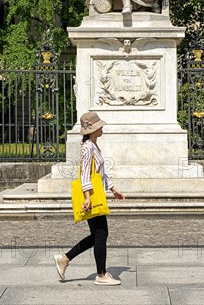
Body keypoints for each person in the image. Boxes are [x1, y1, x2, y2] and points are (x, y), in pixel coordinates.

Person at [54, 111, 125, 285]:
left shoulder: (93, 146)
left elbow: (99, 174)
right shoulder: (87, 148)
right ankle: (101, 275)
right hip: (91, 195)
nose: (102, 128)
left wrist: (113, 189)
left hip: (94, 192)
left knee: (97, 235)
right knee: (101, 235)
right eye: (99, 125)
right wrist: (87, 197)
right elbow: (85, 174)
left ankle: (65, 259)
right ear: (93, 129)